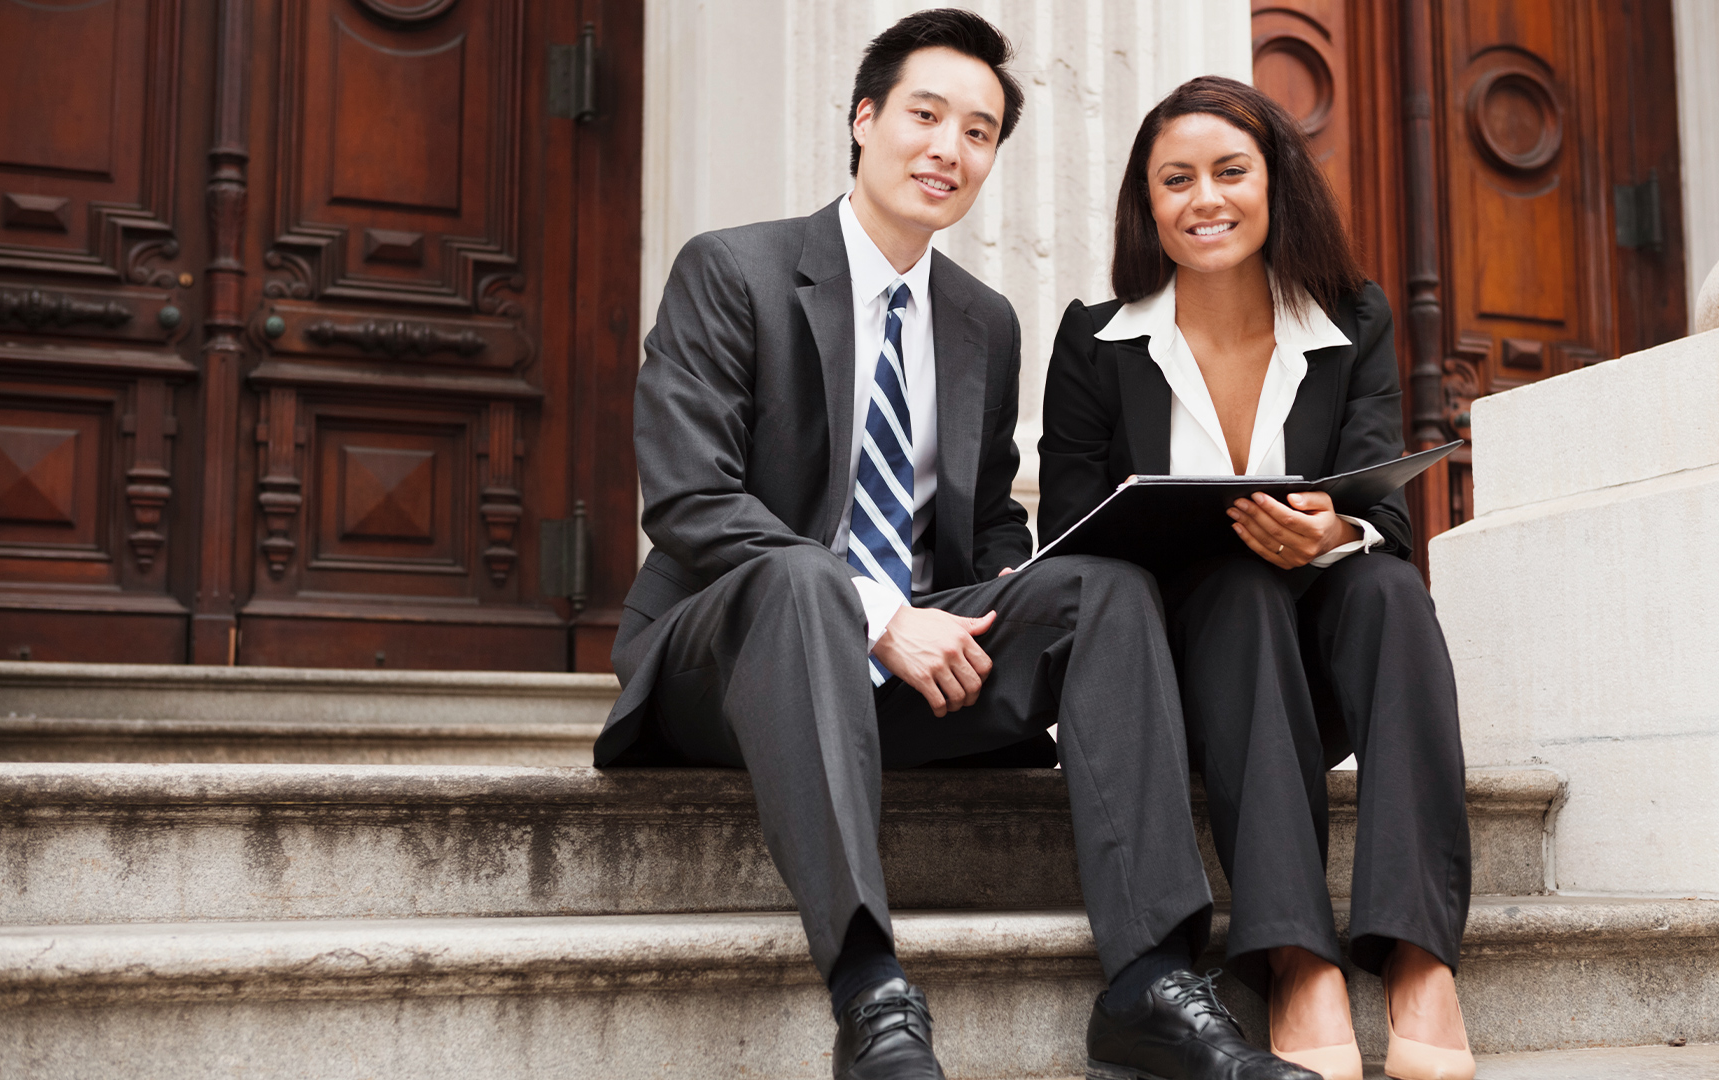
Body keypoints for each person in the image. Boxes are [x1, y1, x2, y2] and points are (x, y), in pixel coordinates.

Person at [596, 15, 1319, 1080]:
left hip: (917, 672)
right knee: (805, 575)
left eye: (978, 132)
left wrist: (1020, 580)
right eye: (926, 115)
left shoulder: (982, 320)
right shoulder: (733, 271)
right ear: (864, 120)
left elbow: (984, 528)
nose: (948, 148)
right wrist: (883, 617)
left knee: (1104, 587)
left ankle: (1152, 984)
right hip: (733, 660)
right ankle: (870, 994)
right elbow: (694, 502)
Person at [1038, 76, 1477, 1080]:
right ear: (1146, 204)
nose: (1206, 199)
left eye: (1230, 171)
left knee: (1388, 586)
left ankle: (1419, 957)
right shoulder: (1094, 345)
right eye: (1175, 179)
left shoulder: (1352, 320)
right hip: (1190, 687)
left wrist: (1330, 530)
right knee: (1232, 590)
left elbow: (1388, 515)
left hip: (1316, 681)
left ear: (1274, 183)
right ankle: (1295, 958)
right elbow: (1065, 537)